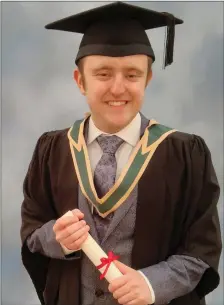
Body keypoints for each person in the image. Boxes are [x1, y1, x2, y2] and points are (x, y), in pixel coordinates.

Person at [20, 2, 222, 305]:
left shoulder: (184, 154)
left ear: (148, 79)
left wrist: (152, 284)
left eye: (132, 75)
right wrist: (56, 239)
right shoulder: (53, 151)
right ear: (80, 81)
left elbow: (201, 251)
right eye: (103, 74)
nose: (118, 88)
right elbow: (32, 232)